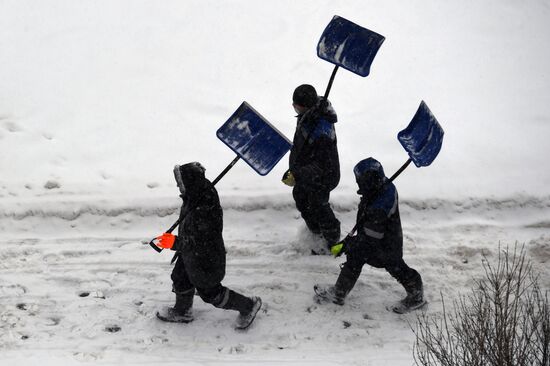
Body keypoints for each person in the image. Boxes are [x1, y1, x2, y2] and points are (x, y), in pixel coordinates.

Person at [155, 162, 262, 330]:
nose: (178, 186)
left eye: (180, 182)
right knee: (180, 277)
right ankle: (183, 311)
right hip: (190, 254)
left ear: (189, 182)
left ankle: (248, 306)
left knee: (211, 294)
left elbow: (201, 243)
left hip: (206, 260)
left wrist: (174, 242)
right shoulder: (195, 195)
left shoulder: (204, 207)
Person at [313, 158, 426, 314]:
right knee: (356, 257)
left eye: (361, 181)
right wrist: (350, 243)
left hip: (385, 245)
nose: (359, 185)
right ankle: (339, 293)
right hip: (377, 240)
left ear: (370, 180)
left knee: (395, 266)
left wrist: (348, 245)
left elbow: (370, 239)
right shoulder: (380, 187)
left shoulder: (379, 206)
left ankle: (416, 297)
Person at [282, 84, 341, 249]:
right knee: (301, 197)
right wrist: (295, 170)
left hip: (325, 175)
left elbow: (322, 164)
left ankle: (332, 240)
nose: (294, 108)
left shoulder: (321, 130)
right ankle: (315, 234)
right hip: (307, 171)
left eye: (296, 106)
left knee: (317, 203)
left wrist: (298, 174)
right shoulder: (309, 116)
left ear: (306, 106)